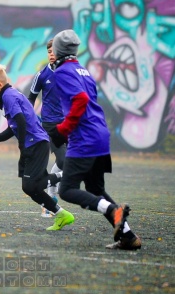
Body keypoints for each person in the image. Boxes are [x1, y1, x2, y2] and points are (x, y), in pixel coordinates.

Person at [47, 29, 141, 250]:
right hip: (99, 134)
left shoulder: (62, 72)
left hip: (85, 138)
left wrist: (63, 129)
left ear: (59, 50)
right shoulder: (83, 70)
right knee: (95, 189)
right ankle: (128, 236)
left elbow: (80, 100)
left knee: (67, 189)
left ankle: (112, 210)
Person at [0, 64, 75, 230]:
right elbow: (14, 127)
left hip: (36, 144)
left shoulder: (8, 96)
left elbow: (21, 121)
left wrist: (23, 147)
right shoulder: (9, 94)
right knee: (30, 187)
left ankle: (63, 176)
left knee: (32, 186)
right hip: (36, 143)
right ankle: (61, 215)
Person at [28, 39, 67, 217]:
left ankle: (49, 197)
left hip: (70, 124)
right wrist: (30, 121)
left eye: (55, 51)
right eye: (49, 51)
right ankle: (50, 196)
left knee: (64, 163)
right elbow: (30, 100)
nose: (51, 54)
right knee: (64, 161)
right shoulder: (42, 75)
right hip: (51, 126)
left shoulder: (70, 74)